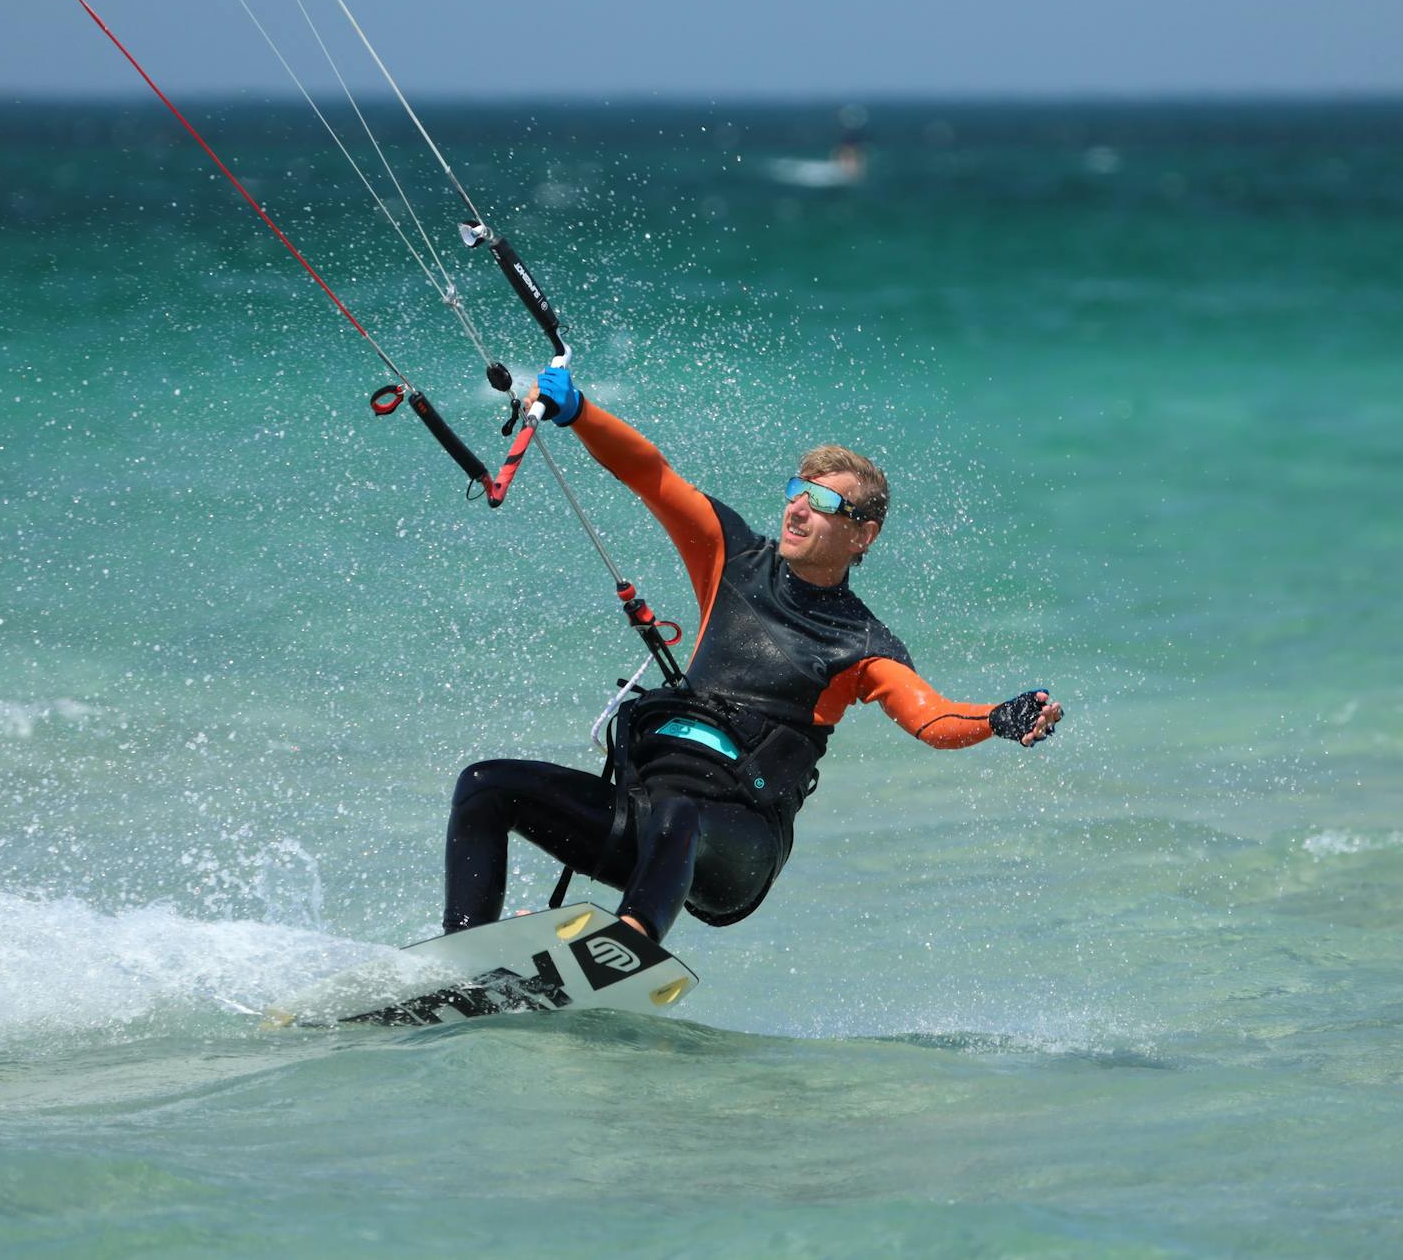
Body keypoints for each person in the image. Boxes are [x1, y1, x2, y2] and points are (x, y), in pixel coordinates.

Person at [443, 364, 1063, 944]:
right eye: (798, 491)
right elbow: (651, 475)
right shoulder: (730, 556)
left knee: (680, 815)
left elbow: (932, 719)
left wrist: (995, 719)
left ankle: (625, 946)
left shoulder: (861, 645)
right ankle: (462, 958)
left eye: (822, 503)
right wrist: (578, 412)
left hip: (739, 843)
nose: (797, 507)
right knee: (486, 785)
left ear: (862, 534)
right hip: (649, 814)